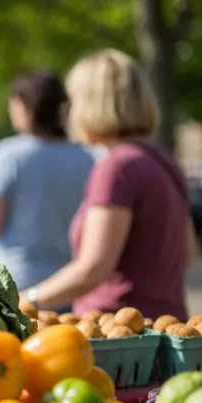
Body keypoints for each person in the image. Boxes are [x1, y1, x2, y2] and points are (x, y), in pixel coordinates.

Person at [20, 50, 195, 319]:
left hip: (117, 335)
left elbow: (93, 268)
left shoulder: (118, 167)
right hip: (165, 329)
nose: (68, 110)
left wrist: (27, 299)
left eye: (73, 100)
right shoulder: (162, 160)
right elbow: (187, 252)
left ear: (94, 104)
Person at [0, 70, 95, 295]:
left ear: (22, 106)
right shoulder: (87, 158)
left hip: (16, 282)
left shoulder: (9, 154)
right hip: (70, 283)